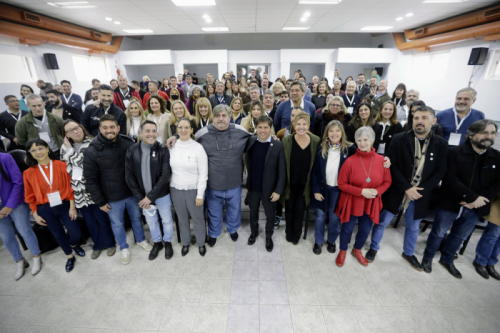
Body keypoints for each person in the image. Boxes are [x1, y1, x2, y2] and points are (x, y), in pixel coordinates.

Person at [369, 106, 448, 268]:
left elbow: (440, 171)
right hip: (398, 189)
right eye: (416, 118)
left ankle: (409, 253)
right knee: (383, 221)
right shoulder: (399, 139)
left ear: (433, 121)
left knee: (413, 226)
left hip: (420, 193)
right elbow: (392, 165)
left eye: (424, 118)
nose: (419, 121)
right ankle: (373, 248)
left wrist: (421, 190)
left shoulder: (440, 144)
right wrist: (407, 187)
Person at [423, 119, 500, 278]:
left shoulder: (496, 156)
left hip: (477, 206)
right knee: (438, 233)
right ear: (471, 135)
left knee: (459, 236)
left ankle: (447, 259)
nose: (489, 136)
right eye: (484, 132)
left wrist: (480, 199)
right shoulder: (454, 152)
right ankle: (428, 257)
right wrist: (471, 197)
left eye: (493, 133)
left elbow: (497, 183)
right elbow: (450, 177)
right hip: (451, 202)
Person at [168, 104, 251, 247]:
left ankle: (232, 229)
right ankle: (214, 233)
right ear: (213, 117)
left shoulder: (240, 131)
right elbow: (188, 137)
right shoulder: (203, 133)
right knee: (214, 212)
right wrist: (176, 135)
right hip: (213, 185)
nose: (220, 119)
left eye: (224, 115)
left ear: (230, 117)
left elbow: (256, 139)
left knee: (234, 210)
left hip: (234, 183)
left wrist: (273, 136)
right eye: (217, 116)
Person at [83, 114, 152, 265]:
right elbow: (90, 180)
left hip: (132, 194)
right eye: (105, 128)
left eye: (112, 127)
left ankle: (140, 240)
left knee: (136, 218)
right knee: (118, 224)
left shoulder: (128, 143)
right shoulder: (92, 151)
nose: (109, 130)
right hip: (112, 197)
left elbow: (138, 168)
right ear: (100, 129)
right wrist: (100, 201)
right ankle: (124, 247)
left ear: (118, 128)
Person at [24, 139, 84, 272]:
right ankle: (69, 256)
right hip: (45, 209)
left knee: (76, 232)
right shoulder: (28, 173)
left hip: (65, 205)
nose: (38, 152)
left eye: (40, 148)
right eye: (33, 150)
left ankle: (73, 244)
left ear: (47, 149)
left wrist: (72, 207)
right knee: (58, 234)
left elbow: (70, 187)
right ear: (30, 154)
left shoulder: (62, 165)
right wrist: (35, 214)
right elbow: (29, 196)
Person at [335, 127, 392, 267]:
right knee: (347, 228)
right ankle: (342, 251)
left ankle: (357, 250)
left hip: (371, 202)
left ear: (372, 140)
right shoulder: (350, 161)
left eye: (365, 140)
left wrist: (378, 191)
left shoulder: (382, 160)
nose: (362, 143)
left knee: (365, 229)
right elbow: (341, 183)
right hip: (352, 201)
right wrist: (361, 192)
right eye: (359, 140)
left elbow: (387, 181)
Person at [61, 119, 116, 259]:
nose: (76, 131)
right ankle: (98, 245)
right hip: (79, 192)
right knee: (90, 221)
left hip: (95, 189)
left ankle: (109, 244)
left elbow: (84, 164)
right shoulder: (64, 148)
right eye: (71, 130)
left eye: (77, 127)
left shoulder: (92, 142)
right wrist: (69, 152)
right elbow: (67, 170)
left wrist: (70, 152)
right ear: (66, 134)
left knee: (102, 219)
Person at [125, 120, 174, 260]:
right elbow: (129, 176)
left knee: (167, 220)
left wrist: (150, 197)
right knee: (151, 221)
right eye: (147, 131)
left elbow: (165, 176)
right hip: (143, 197)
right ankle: (157, 243)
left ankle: (168, 241)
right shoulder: (132, 150)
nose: (151, 134)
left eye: (154, 131)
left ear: (157, 133)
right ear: (141, 133)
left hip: (161, 195)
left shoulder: (163, 150)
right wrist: (141, 197)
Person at [311, 120, 356, 255]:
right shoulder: (321, 148)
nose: (334, 133)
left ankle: (331, 240)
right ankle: (318, 241)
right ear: (327, 134)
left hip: (339, 190)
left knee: (335, 216)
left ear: (342, 133)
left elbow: (364, 159)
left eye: (337, 130)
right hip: (323, 188)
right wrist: (316, 190)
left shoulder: (350, 149)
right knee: (320, 216)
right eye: (331, 131)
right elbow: (314, 172)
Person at [169, 118, 208, 256]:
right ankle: (185, 243)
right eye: (180, 127)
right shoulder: (172, 146)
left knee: (197, 218)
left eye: (187, 127)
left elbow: (203, 174)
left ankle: (201, 243)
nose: (183, 130)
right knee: (182, 218)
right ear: (177, 130)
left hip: (194, 189)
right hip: (176, 189)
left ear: (192, 130)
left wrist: (200, 195)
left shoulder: (198, 148)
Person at [246, 115, 285, 252]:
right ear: (256, 128)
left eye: (266, 127)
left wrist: (278, 191)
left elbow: (282, 171)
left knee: (270, 214)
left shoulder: (278, 145)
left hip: (270, 189)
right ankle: (254, 232)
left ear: (271, 128)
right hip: (253, 187)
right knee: (253, 213)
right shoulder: (250, 141)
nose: (262, 130)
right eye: (260, 127)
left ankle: (268, 237)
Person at [0, 152, 42, 280]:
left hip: (15, 202)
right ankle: (20, 261)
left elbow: (18, 182)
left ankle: (36, 257)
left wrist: (9, 206)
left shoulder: (5, 157)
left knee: (24, 230)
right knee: (6, 237)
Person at [280, 112, 320, 245]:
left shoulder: (315, 141)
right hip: (290, 183)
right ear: (293, 125)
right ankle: (288, 232)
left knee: (300, 209)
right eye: (298, 124)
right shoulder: (287, 140)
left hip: (305, 184)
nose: (301, 127)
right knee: (289, 208)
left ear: (309, 125)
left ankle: (296, 233)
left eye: (304, 124)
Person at [15, 94, 64, 160]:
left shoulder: (56, 119)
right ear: (28, 106)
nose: (37, 108)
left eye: (39, 105)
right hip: (39, 154)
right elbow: (21, 140)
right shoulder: (22, 123)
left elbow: (63, 133)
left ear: (43, 104)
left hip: (58, 151)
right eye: (34, 106)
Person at [477, 194, 500, 280]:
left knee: (499, 240)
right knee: (492, 236)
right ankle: (480, 261)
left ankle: (490, 263)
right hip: (498, 208)